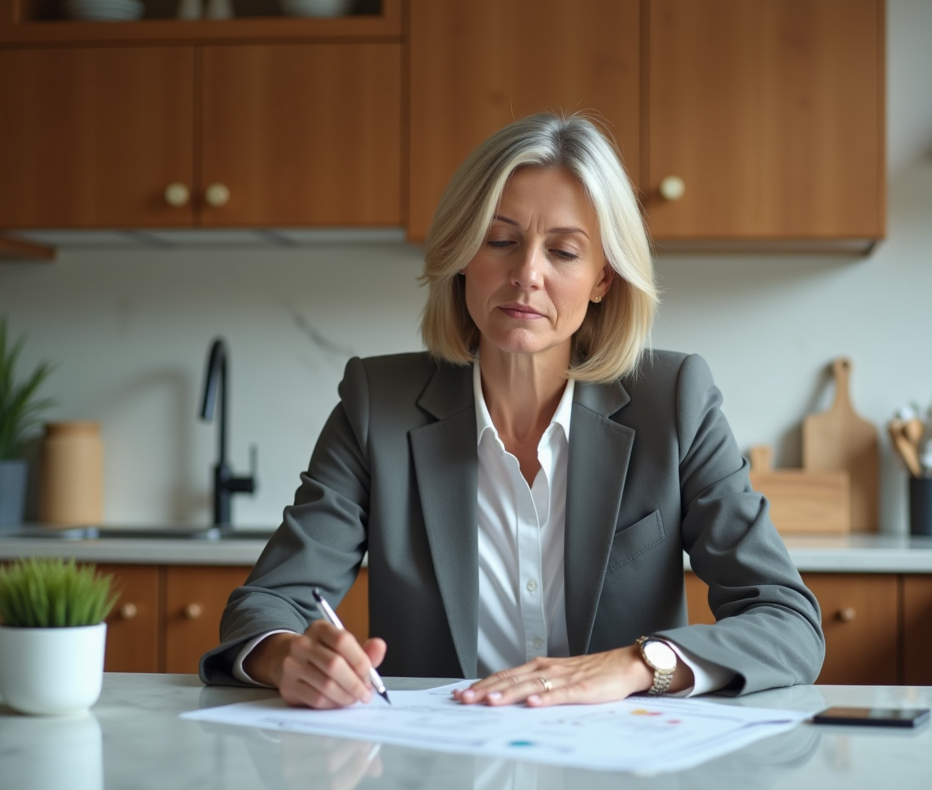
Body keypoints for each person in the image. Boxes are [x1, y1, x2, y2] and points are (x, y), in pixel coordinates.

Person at [199, 113, 824, 709]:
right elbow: (269, 603)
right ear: (463, 254)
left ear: (604, 278)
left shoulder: (675, 400)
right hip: (438, 765)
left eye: (564, 251)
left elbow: (786, 621)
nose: (527, 274)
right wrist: (288, 656)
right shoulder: (377, 404)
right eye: (501, 240)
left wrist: (634, 665)